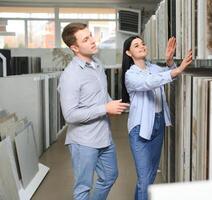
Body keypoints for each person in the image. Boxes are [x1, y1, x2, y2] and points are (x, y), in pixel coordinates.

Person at [58, 22, 129, 200]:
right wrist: (105, 108)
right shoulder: (70, 75)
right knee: (83, 187)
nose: (92, 41)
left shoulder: (97, 64)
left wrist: (112, 104)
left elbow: (101, 94)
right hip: (83, 141)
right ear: (74, 47)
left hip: (104, 136)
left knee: (110, 176)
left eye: (91, 36)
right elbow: (70, 115)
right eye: (86, 39)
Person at [121, 35, 193, 200]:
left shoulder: (153, 68)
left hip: (158, 123)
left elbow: (170, 78)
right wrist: (176, 69)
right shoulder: (130, 75)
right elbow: (150, 82)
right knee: (145, 178)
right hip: (140, 128)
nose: (141, 46)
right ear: (128, 53)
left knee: (150, 175)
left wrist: (169, 62)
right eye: (136, 45)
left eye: (143, 44)